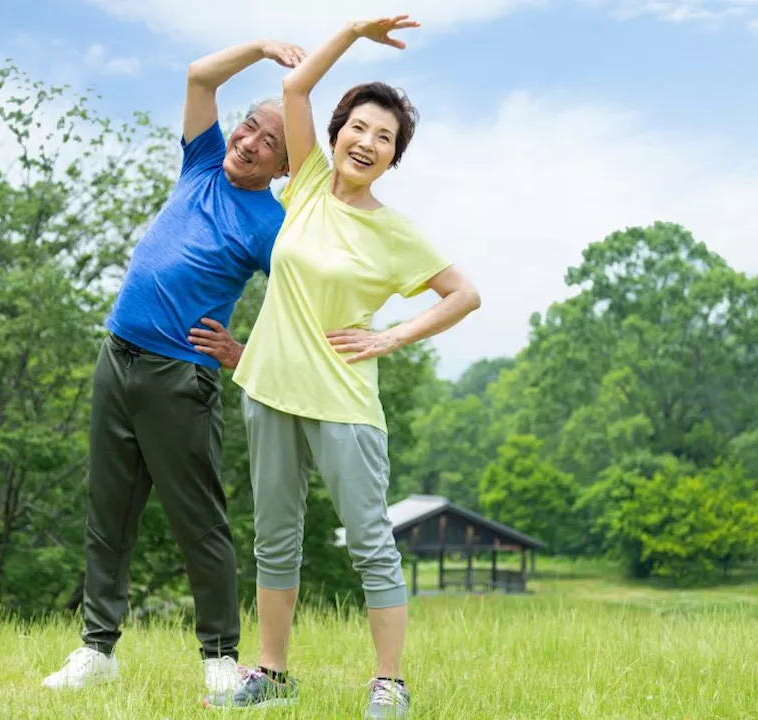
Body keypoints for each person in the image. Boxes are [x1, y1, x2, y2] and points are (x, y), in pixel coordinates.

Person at [192, 14, 481, 718]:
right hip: (268, 394)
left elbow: (464, 295)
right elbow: (294, 87)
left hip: (345, 407)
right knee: (276, 540)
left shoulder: (394, 232)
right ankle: (272, 673)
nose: (368, 142)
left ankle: (389, 682)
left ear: (392, 159)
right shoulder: (309, 183)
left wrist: (391, 339)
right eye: (359, 126)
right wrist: (352, 31)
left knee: (371, 545)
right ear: (337, 132)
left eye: (385, 138)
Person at [40, 37, 306, 701]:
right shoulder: (202, 163)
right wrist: (263, 47)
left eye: (268, 140)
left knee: (199, 524)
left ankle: (220, 656)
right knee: (108, 514)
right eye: (249, 125)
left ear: (283, 165)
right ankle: (96, 649)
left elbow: (304, 311)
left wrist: (247, 354)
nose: (248, 141)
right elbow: (198, 76)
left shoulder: (271, 226)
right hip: (116, 358)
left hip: (179, 379)